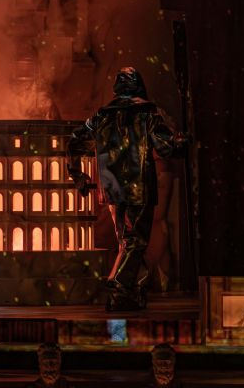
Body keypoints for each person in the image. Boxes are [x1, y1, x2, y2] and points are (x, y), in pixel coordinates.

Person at [67, 67, 188, 311]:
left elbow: (75, 141)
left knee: (127, 242)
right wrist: (183, 142)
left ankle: (130, 293)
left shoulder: (102, 115)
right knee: (135, 242)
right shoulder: (148, 113)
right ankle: (119, 285)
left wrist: (77, 175)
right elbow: (166, 148)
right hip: (139, 186)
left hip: (112, 189)